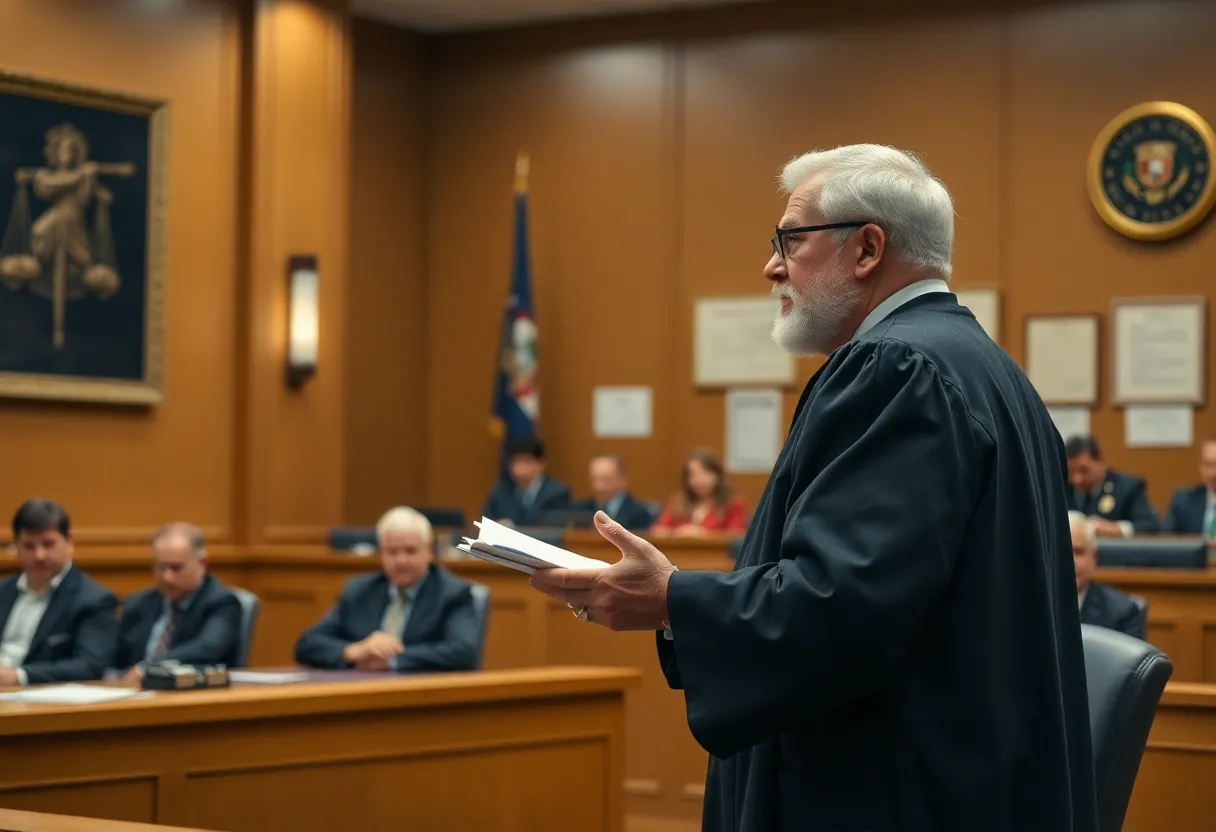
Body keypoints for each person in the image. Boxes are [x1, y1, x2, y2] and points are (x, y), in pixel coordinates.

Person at [530, 145, 1097, 831]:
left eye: (790, 240)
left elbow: (839, 604)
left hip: (891, 792)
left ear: (867, 249)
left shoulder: (896, 368)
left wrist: (673, 600)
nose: (772, 266)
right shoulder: (987, 367)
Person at [294, 506, 481, 672]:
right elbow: (308, 644)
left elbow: (463, 652)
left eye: (410, 551)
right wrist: (355, 650)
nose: (401, 561)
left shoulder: (453, 594)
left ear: (429, 552)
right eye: (392, 551)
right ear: (381, 554)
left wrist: (393, 660)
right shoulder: (360, 590)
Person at [0, 499, 117, 686]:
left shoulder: (94, 600)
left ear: (69, 542)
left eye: (48, 544)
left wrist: (19, 676)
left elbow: (90, 666)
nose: (39, 555)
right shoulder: (3, 591)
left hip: (37, 699)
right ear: (16, 547)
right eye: (29, 546)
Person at [113, 523, 243, 679]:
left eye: (176, 568)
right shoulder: (138, 604)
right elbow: (114, 657)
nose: (167, 577)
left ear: (202, 563)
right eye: (161, 567)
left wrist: (148, 668)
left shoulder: (222, 602)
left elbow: (207, 648)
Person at [1064, 435, 1160, 536]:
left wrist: (1117, 529)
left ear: (1100, 460)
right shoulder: (1063, 489)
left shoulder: (1127, 488)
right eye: (1071, 472)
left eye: (1084, 471)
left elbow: (1151, 525)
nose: (1077, 479)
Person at [1070, 511, 1145, 639]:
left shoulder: (1123, 613)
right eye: (1062, 552)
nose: (1071, 562)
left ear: (1094, 557)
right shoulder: (1029, 606)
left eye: (1079, 552)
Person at [650, 449, 747, 537]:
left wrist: (703, 534)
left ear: (717, 475)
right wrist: (678, 532)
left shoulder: (733, 503)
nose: (699, 480)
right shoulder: (677, 501)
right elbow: (657, 530)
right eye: (692, 475)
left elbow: (736, 537)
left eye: (704, 473)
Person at [481, 436, 571, 526]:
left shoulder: (557, 493)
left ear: (541, 464)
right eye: (515, 461)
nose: (520, 467)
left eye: (526, 461)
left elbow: (554, 531)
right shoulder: (499, 492)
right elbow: (485, 524)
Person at [569, 454, 656, 530]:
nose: (598, 487)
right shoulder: (578, 510)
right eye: (594, 479)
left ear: (622, 480)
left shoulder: (639, 514)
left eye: (605, 480)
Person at [1161, 436, 1216, 537]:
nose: (1213, 473)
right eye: (1208, 464)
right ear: (1201, 467)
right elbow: (1166, 543)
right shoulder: (1184, 500)